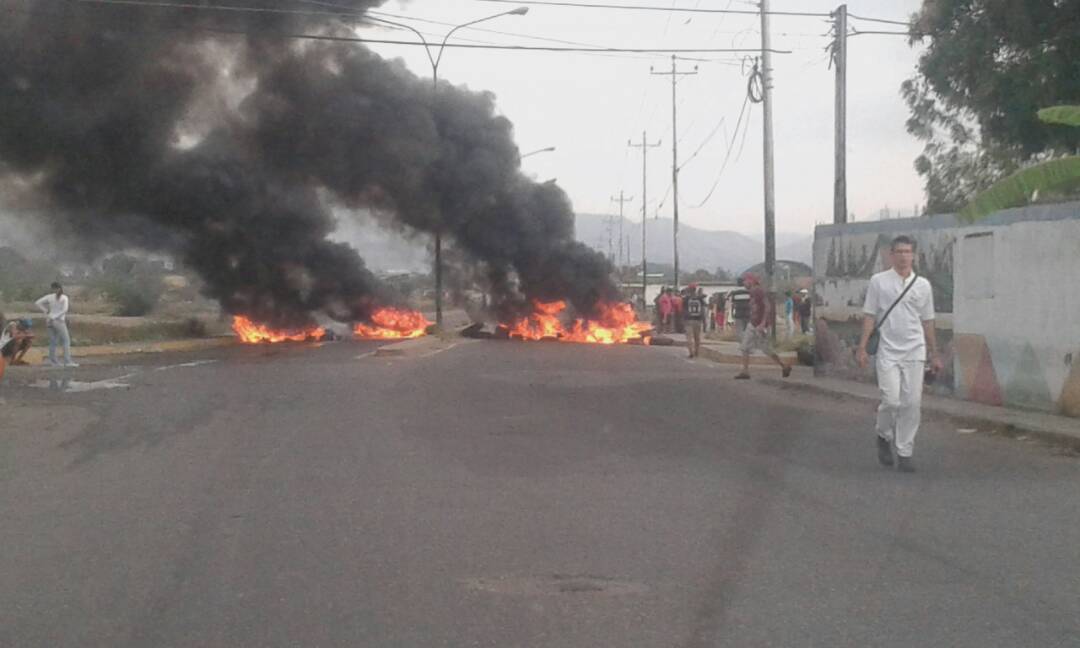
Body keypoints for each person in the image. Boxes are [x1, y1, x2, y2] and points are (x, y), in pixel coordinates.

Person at [857, 235, 942, 473]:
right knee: (891, 400)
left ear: (913, 255)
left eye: (908, 252)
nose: (904, 256)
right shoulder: (879, 282)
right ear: (891, 255)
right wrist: (862, 347)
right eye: (899, 252)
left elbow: (928, 321)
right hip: (888, 351)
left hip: (915, 350)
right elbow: (869, 316)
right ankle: (883, 435)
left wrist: (935, 354)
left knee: (912, 403)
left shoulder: (923, 285)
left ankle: (905, 451)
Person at [734, 273, 791, 380]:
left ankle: (784, 365)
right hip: (753, 323)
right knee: (745, 347)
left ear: (751, 281)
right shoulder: (752, 292)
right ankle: (745, 371)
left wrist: (763, 323)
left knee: (766, 349)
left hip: (759, 324)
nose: (744, 283)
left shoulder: (758, 291)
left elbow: (767, 306)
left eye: (745, 281)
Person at [36, 282, 78, 367]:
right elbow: (65, 310)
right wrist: (56, 316)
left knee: (53, 342)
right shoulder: (64, 297)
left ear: (52, 288)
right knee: (66, 341)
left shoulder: (49, 297)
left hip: (49, 320)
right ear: (60, 288)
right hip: (58, 320)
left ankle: (54, 362)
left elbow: (37, 303)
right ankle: (67, 361)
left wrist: (46, 311)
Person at [683, 284, 707, 358]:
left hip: (689, 320)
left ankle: (691, 352)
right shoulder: (700, 299)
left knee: (689, 337)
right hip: (698, 320)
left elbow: (683, 310)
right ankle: (697, 351)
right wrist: (704, 321)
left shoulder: (686, 299)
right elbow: (703, 310)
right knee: (697, 337)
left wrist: (683, 319)